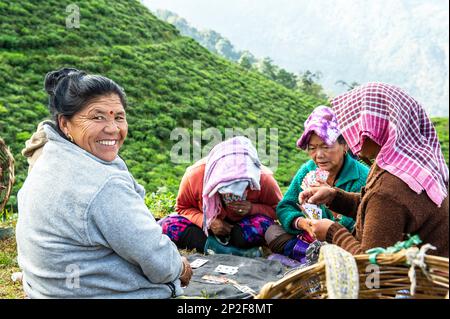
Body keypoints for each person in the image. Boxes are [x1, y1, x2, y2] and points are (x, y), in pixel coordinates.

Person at [16, 67, 192, 298]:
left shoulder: (48, 157)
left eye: (118, 117)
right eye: (97, 117)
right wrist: (180, 267)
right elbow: (159, 263)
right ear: (65, 124)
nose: (113, 128)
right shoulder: (102, 186)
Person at [300, 82, 449, 257]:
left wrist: (333, 232)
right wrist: (334, 197)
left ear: (376, 127)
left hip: (414, 281)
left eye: (357, 124)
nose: (351, 133)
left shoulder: (390, 188)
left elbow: (371, 267)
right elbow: (378, 212)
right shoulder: (407, 165)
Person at [265, 106, 369, 264]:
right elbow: (285, 206)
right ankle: (312, 257)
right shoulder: (308, 169)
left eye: (326, 147)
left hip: (343, 242)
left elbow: (354, 225)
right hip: (310, 235)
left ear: (345, 146)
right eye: (312, 148)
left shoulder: (361, 177)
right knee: (272, 232)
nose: (319, 155)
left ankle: (312, 259)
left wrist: (328, 224)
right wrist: (304, 223)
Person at [158, 136, 283, 255]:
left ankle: (230, 247)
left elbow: (280, 211)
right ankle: (221, 249)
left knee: (262, 225)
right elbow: (182, 208)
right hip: (206, 230)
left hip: (243, 227)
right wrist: (207, 222)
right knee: (169, 224)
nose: (231, 195)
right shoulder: (195, 175)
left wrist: (251, 209)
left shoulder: (264, 178)